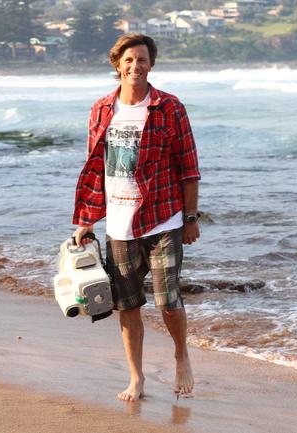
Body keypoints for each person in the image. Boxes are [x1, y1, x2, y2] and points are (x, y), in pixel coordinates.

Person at [72, 33, 200, 402]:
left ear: (151, 64)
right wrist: (86, 220)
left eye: (141, 59)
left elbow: (189, 168)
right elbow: (97, 170)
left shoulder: (170, 108)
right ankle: (136, 377)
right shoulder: (101, 110)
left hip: (163, 219)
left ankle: (181, 356)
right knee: (127, 305)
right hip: (119, 226)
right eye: (128, 60)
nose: (135, 66)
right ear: (117, 64)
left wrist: (190, 218)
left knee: (168, 301)